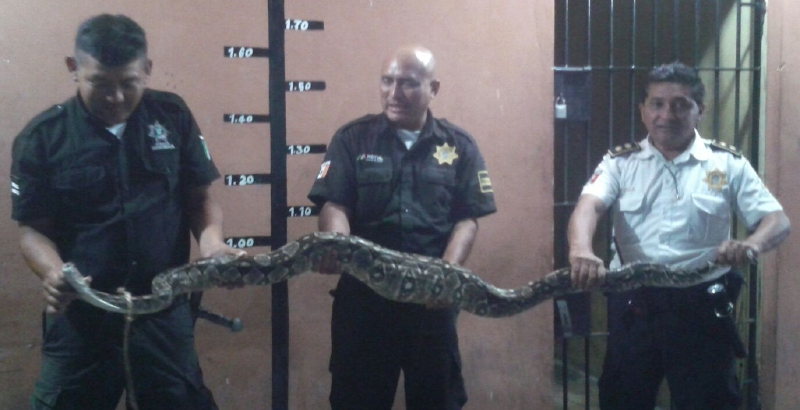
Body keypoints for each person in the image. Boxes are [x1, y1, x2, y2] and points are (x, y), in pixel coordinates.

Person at [10, 14, 243, 410]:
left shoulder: (172, 117)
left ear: (148, 70)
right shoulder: (43, 138)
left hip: (163, 315)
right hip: (81, 319)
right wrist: (52, 272)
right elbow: (33, 230)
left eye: (128, 83)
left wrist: (213, 243)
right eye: (100, 83)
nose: (115, 97)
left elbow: (199, 198)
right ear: (73, 68)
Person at [568, 62, 791, 410]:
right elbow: (589, 207)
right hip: (635, 306)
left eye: (680, 104)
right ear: (643, 111)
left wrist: (751, 245)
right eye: (657, 104)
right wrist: (581, 249)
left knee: (708, 401)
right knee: (623, 399)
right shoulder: (619, 164)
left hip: (701, 308)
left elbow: (777, 219)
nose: (667, 114)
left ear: (699, 110)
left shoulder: (726, 164)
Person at [307, 45, 497, 410]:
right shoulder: (352, 139)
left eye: (408, 84)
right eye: (387, 81)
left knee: (435, 399)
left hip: (432, 303)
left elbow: (466, 218)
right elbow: (335, 203)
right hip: (364, 302)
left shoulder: (459, 146)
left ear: (434, 88)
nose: (394, 94)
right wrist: (337, 243)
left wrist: (447, 272)